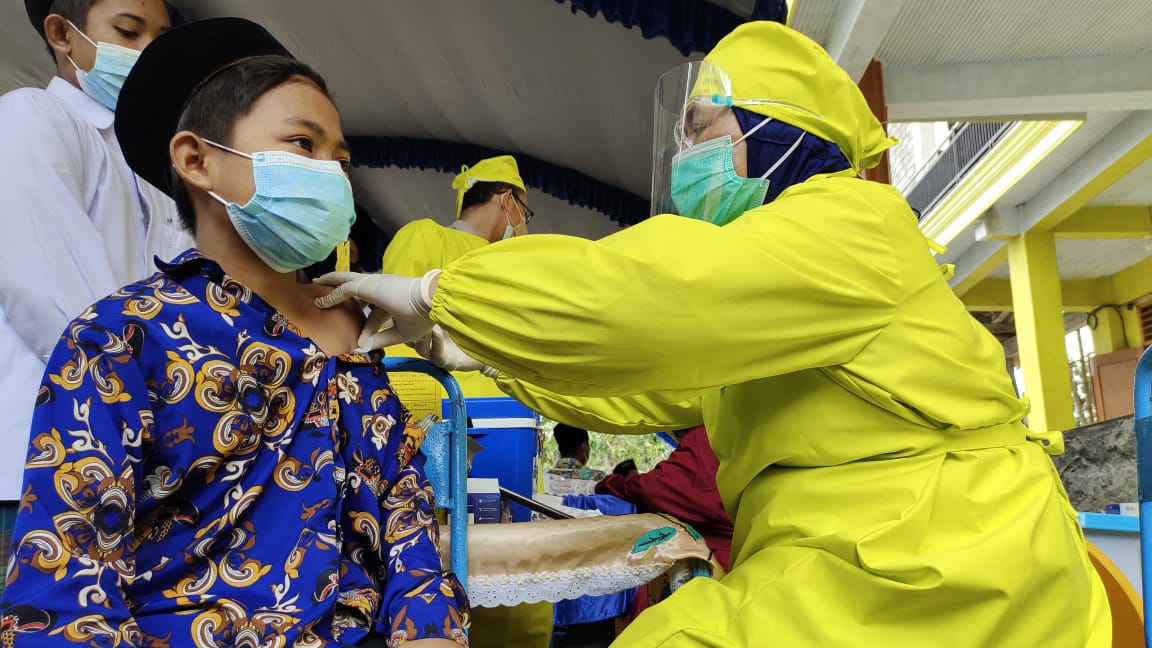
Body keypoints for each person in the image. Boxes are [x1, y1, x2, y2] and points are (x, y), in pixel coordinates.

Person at [314, 19, 1110, 647]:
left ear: (778, 130)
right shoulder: (768, 291)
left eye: (700, 128)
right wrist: (468, 345)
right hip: (858, 550)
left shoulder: (849, 222)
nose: (683, 152)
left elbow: (644, 293)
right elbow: (646, 384)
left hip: (943, 560)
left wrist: (442, 296)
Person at [0, 18, 467, 647]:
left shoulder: (359, 345)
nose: (331, 175)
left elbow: (407, 531)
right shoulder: (122, 339)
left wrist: (433, 632)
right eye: (303, 144)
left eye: (340, 161)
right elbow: (64, 590)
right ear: (196, 161)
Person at [0, 0, 192, 587]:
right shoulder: (32, 117)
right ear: (62, 34)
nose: (148, 53)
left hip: (125, 467)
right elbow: (55, 296)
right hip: (34, 468)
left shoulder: (153, 165)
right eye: (129, 32)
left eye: (160, 39)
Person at [378, 155, 531, 398]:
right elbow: (398, 327)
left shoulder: (509, 262)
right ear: (507, 200)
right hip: (437, 406)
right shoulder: (426, 235)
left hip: (502, 407)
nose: (523, 223)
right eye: (524, 212)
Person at [596, 426, 732, 570]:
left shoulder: (704, 437)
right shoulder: (721, 432)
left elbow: (651, 490)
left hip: (724, 561)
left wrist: (606, 485)